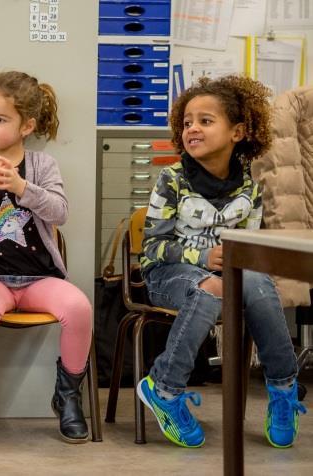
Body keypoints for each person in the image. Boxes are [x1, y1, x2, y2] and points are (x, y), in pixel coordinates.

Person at [137, 75, 307, 448]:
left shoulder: (250, 184)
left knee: (261, 284)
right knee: (211, 287)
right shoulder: (173, 179)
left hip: (228, 274)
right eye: (187, 123)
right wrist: (202, 255)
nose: (192, 129)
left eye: (205, 121)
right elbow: (152, 249)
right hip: (169, 274)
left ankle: (282, 389)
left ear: (238, 131)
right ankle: (163, 388)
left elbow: (250, 244)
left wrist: (242, 260)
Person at [0, 71, 93, 443]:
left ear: (26, 125)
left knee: (79, 308)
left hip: (38, 279)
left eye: (1, 119)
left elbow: (60, 213)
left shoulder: (43, 167)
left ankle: (67, 395)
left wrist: (22, 187)